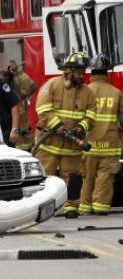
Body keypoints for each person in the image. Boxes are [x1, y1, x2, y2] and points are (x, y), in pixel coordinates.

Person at [34, 52, 96, 219]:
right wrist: (57, 125)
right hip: (50, 144)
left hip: (72, 145)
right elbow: (42, 109)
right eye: (78, 72)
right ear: (68, 71)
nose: (82, 76)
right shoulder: (52, 85)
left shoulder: (88, 93)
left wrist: (81, 128)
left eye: (83, 72)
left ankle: (71, 207)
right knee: (46, 175)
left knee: (74, 176)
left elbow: (91, 116)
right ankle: (45, 206)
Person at [79, 54, 123, 216]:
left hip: (87, 145)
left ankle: (84, 207)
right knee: (105, 177)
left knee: (87, 177)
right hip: (109, 145)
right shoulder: (116, 93)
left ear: (91, 73)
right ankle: (100, 207)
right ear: (107, 73)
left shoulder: (84, 92)